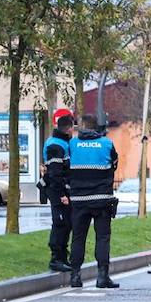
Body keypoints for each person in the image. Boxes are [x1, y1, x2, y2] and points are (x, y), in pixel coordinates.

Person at [67, 114, 120, 289]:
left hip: (79, 199)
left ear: (81, 126)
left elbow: (67, 167)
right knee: (102, 238)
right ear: (97, 127)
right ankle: (102, 276)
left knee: (78, 237)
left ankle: (75, 276)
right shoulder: (106, 143)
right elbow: (114, 163)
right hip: (101, 199)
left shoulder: (72, 144)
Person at [41, 114, 76, 272]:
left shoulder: (62, 142)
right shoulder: (56, 145)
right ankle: (56, 259)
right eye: (73, 128)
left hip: (61, 189)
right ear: (69, 128)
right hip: (57, 190)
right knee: (60, 223)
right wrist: (62, 194)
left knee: (66, 223)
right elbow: (55, 173)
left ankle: (62, 256)